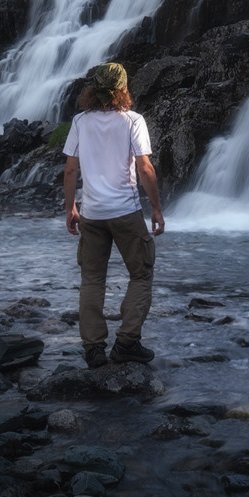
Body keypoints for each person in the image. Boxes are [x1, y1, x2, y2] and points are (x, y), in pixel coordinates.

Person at [61, 62, 164, 368]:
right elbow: (144, 168)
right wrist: (156, 207)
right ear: (122, 87)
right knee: (141, 273)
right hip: (125, 212)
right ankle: (127, 342)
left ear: (93, 89)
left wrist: (71, 208)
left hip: (92, 213)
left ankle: (93, 349)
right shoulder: (132, 120)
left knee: (92, 279)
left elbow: (70, 169)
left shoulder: (80, 121)